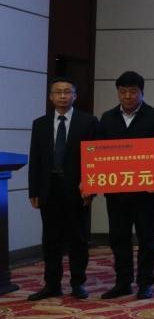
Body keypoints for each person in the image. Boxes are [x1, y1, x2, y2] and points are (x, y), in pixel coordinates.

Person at [27, 77, 98, 301]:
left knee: (78, 239)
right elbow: (35, 159)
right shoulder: (40, 124)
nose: (63, 96)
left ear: (75, 96)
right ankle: (52, 284)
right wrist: (33, 190)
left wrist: (91, 186)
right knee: (51, 240)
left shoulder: (88, 122)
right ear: (51, 97)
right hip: (49, 189)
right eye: (58, 92)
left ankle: (78, 283)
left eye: (67, 92)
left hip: (78, 190)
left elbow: (94, 157)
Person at [97, 71, 154, 300]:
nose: (127, 96)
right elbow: (98, 154)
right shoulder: (107, 118)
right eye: (123, 92)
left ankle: (145, 283)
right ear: (118, 93)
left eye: (133, 92)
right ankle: (122, 282)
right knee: (119, 238)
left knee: (146, 239)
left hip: (145, 191)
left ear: (142, 92)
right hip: (116, 191)